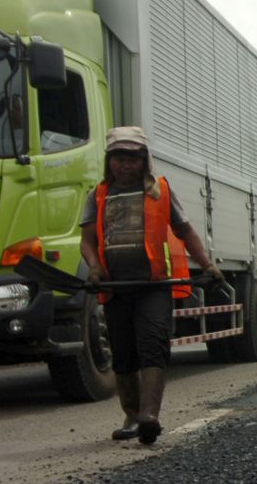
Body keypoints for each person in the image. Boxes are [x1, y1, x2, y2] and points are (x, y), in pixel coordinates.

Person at [79, 126, 223, 444]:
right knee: (123, 353)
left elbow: (186, 232)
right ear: (109, 161)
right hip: (116, 287)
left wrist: (208, 264)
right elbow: (87, 240)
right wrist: (94, 267)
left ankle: (149, 416)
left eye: (132, 158)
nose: (125, 165)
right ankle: (131, 415)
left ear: (145, 161)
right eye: (118, 158)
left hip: (154, 286)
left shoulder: (160, 191)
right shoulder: (98, 195)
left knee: (153, 345)